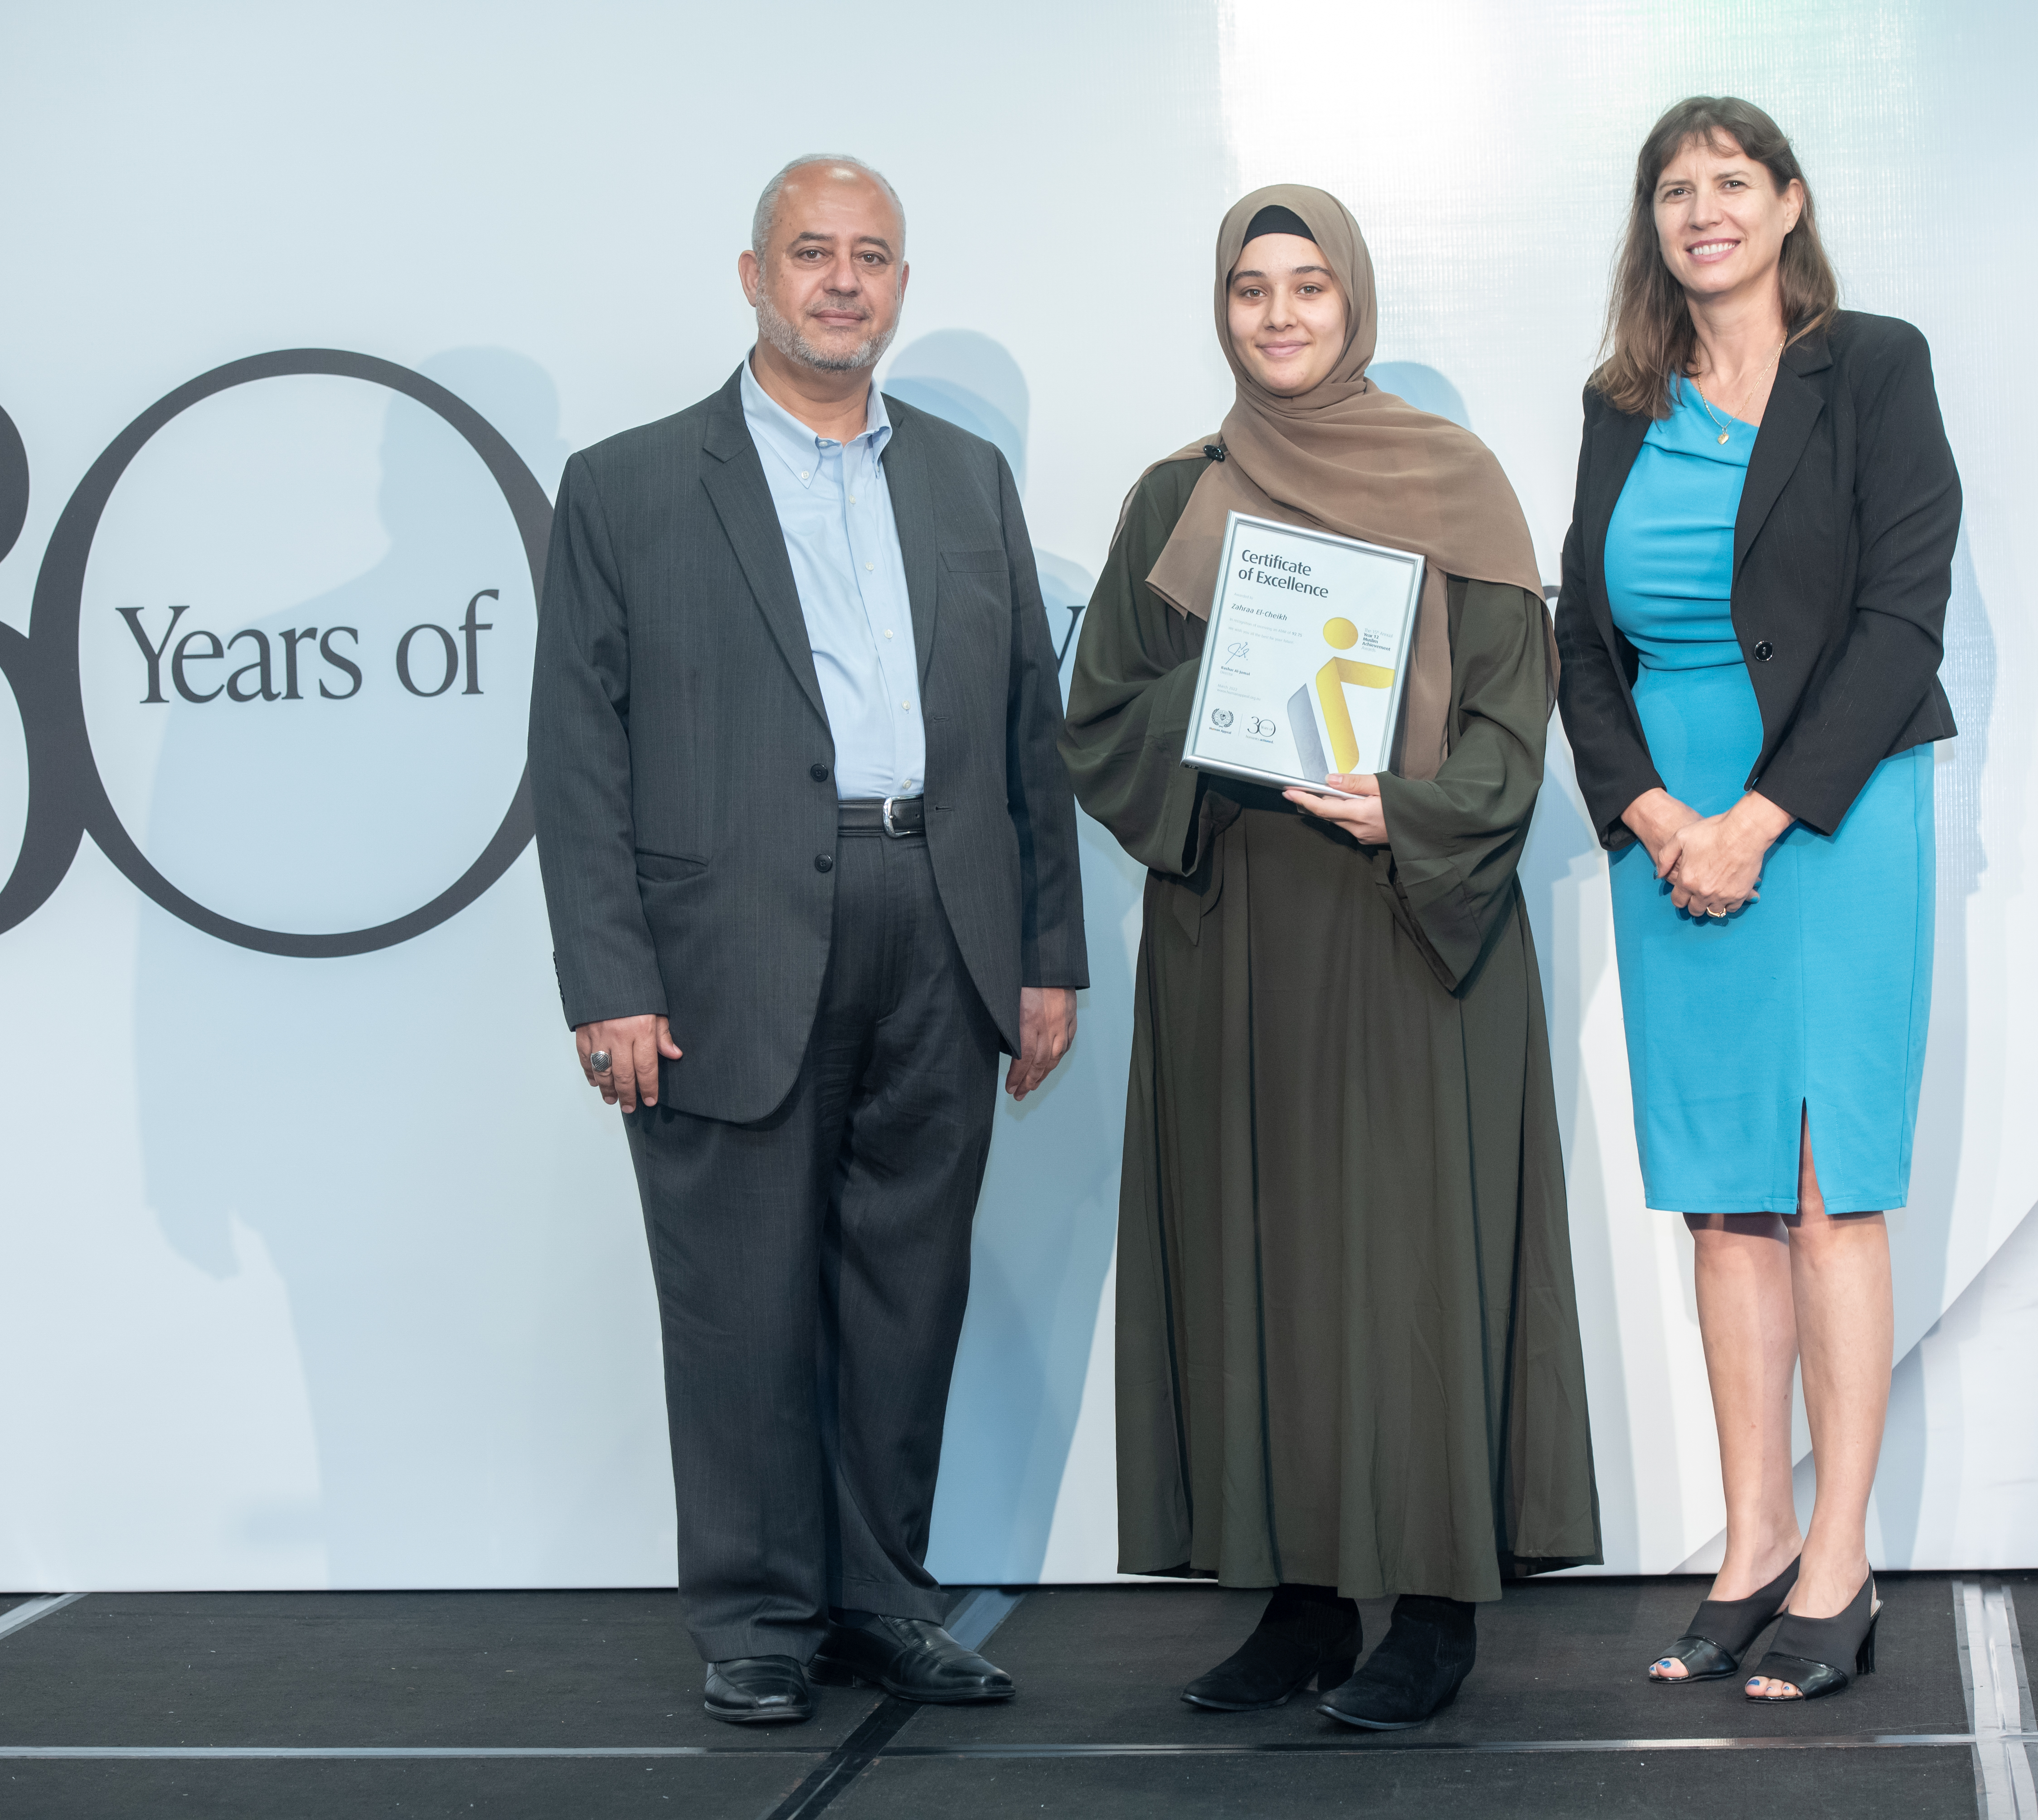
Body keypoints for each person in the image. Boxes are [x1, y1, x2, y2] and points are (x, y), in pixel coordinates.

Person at [526, 154, 1087, 1726]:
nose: (845, 282)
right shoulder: (629, 485)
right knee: (739, 1291)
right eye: (814, 254)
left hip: (945, 922)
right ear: (755, 276)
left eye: (875, 257)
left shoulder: (967, 478)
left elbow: (1022, 735)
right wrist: (612, 980)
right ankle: (760, 1617)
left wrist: (1049, 953)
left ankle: (884, 1603)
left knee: (908, 1289)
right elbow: (576, 762)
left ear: (902, 284)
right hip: (727, 945)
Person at [1061, 184, 1601, 1733]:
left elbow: (1512, 716)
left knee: (1417, 1266)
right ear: (1222, 311)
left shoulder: (1455, 480)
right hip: (1239, 933)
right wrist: (1231, 701)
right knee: (1262, 1265)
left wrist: (1410, 808)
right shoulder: (1176, 495)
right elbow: (1099, 718)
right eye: (1250, 288)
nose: (1280, 314)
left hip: (1411, 921)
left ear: (1355, 300)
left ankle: (1432, 1613)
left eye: (1308, 286)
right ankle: (1295, 1607)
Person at [1553, 96, 1960, 1703]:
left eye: (1733, 183)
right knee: (1722, 1195)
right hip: (1673, 832)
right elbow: (1582, 640)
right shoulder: (1617, 402)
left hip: (1835, 816)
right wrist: (1657, 814)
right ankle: (1752, 1545)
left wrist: (1763, 818)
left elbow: (1899, 616)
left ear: (1790, 205)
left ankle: (1842, 1566)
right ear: (1650, 223)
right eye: (1674, 190)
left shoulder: (1872, 367)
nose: (1702, 211)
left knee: (1821, 1187)